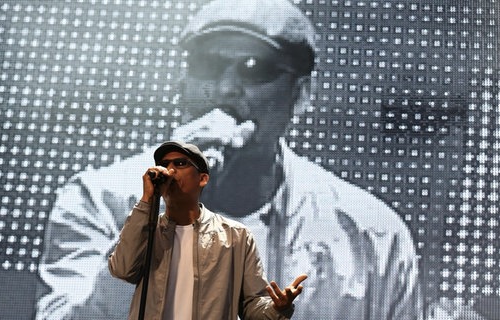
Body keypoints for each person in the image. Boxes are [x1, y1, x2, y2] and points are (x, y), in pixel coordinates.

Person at [36, 0, 422, 319]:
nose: (225, 89)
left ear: (300, 95)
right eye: (208, 65)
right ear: (182, 83)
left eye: (257, 69)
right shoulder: (97, 200)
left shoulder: (372, 234)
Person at [108, 140, 307, 319]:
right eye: (165, 164)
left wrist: (278, 309)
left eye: (180, 163)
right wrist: (146, 202)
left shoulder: (235, 236)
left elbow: (252, 305)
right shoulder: (147, 229)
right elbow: (122, 269)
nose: (169, 171)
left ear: (202, 179)